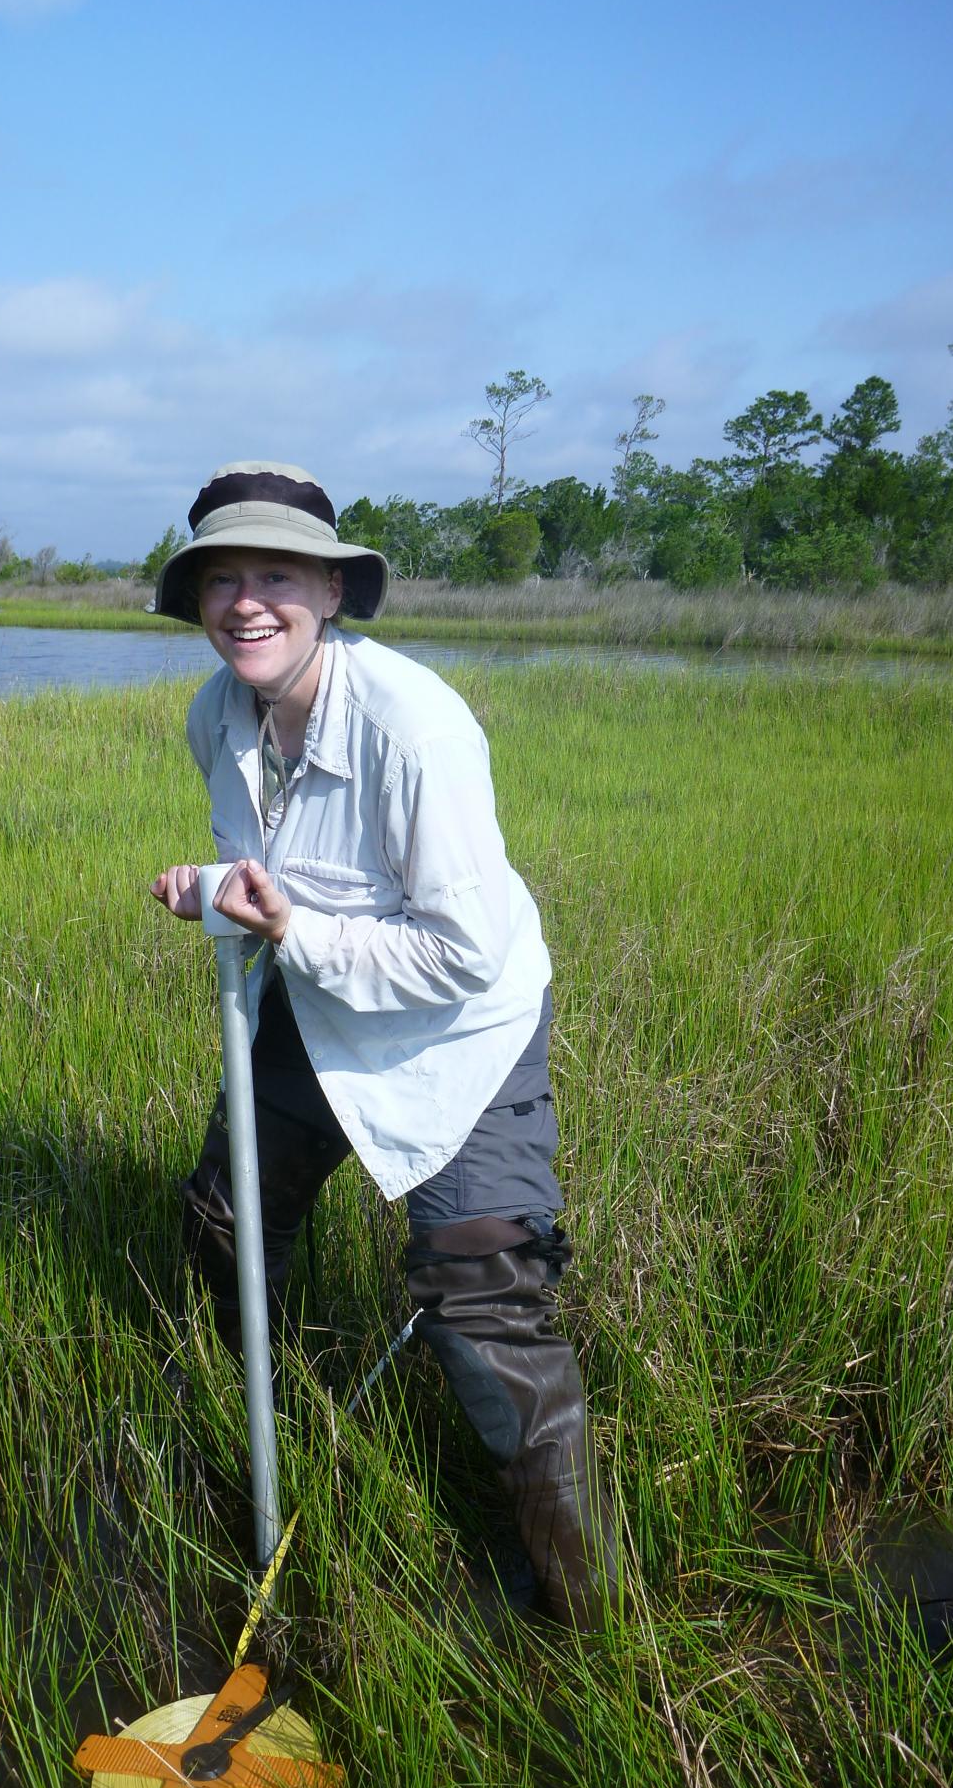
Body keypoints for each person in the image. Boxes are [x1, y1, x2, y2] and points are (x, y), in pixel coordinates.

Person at [149, 461, 616, 1628]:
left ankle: (587, 1614)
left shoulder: (415, 727)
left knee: (484, 1305)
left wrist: (290, 927)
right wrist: (216, 890)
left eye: (277, 575)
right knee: (226, 1213)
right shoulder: (217, 712)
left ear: (333, 593)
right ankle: (256, 1407)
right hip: (318, 1006)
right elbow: (267, 868)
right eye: (221, 578)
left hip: (464, 1034)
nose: (246, 602)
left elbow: (464, 951)